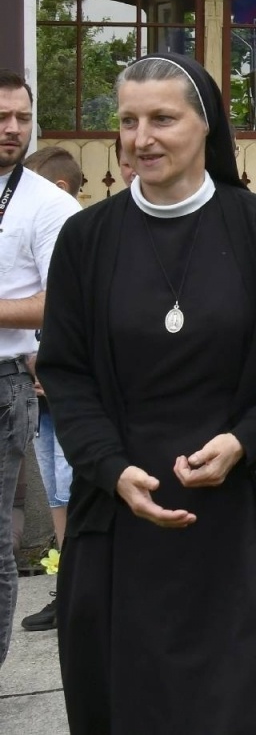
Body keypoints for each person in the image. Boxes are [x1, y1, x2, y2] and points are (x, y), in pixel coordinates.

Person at [37, 54, 256, 732]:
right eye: (128, 121)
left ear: (206, 124)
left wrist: (244, 440)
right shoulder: (86, 240)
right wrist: (109, 468)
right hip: (130, 517)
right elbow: (66, 373)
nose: (142, 138)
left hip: (253, 510)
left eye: (162, 118)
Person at [0, 80, 78, 667]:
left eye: (22, 117)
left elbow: (62, 302)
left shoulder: (49, 205)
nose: (12, 128)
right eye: (2, 116)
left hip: (5, 383)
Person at [17, 146, 84, 634]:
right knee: (55, 490)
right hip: (37, 388)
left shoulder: (78, 239)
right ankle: (69, 587)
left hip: (69, 385)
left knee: (73, 483)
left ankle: (87, 585)